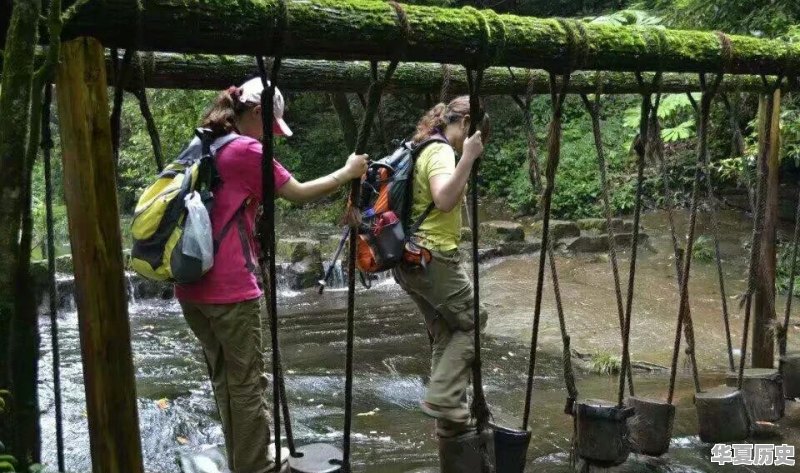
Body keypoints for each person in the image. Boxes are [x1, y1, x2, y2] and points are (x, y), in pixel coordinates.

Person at [175, 77, 368, 473]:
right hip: (230, 288)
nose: (271, 136)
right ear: (258, 112)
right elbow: (297, 192)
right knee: (247, 384)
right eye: (271, 125)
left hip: (191, 287)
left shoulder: (204, 143)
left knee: (225, 380)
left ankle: (242, 457)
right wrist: (348, 173)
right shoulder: (246, 149)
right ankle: (255, 466)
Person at [392, 96, 489, 437]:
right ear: (465, 124)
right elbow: (444, 199)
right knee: (475, 322)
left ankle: (449, 419)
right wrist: (469, 157)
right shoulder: (443, 150)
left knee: (447, 331)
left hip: (410, 260)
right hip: (433, 258)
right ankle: (444, 398)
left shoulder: (423, 147)